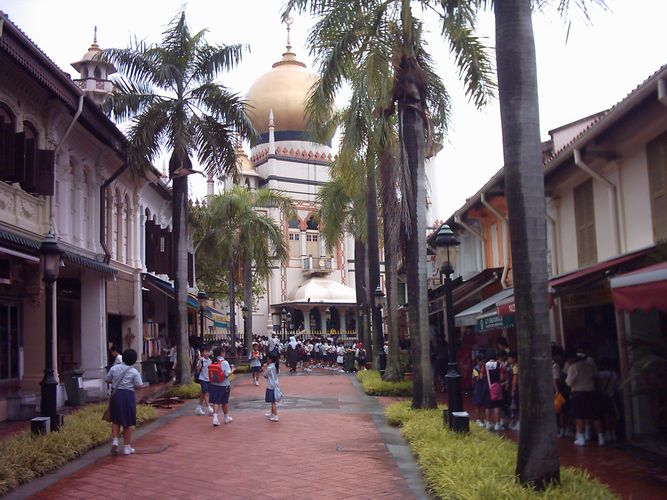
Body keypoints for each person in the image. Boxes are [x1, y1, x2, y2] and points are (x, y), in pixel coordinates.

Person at [105, 349, 143, 455]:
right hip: (128, 397)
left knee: (115, 420)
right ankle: (127, 448)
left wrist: (116, 381)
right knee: (127, 423)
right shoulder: (134, 371)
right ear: (134, 360)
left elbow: (107, 379)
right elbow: (139, 385)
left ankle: (115, 441)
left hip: (115, 396)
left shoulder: (114, 368)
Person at [566, 350, 605, 446]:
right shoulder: (590, 365)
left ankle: (581, 439)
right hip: (591, 392)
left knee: (580, 417)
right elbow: (596, 376)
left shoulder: (573, 367)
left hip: (579, 394)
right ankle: (601, 438)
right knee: (596, 416)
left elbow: (568, 382)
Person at [208, 346, 234, 426]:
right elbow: (227, 374)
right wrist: (233, 370)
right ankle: (226, 417)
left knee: (216, 402)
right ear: (222, 353)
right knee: (224, 402)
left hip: (213, 384)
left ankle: (215, 418)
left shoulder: (212, 361)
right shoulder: (224, 362)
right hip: (224, 385)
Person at [195, 345, 213, 416]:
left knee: (203, 393)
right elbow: (198, 369)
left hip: (208, 379)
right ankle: (209, 407)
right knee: (205, 393)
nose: (207, 353)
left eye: (208, 352)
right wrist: (199, 362)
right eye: (205, 352)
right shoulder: (201, 360)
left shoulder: (210, 360)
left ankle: (199, 408)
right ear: (202, 353)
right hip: (203, 379)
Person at [263, 352, 281, 422]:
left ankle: (275, 415)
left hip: (271, 385)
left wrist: (264, 368)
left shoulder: (270, 367)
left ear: (270, 359)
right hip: (275, 384)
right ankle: (272, 413)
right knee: (272, 401)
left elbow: (265, 375)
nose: (267, 360)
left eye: (267, 358)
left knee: (273, 401)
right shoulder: (276, 366)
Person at [471, 356, 486, 426]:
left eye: (483, 362)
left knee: (483, 404)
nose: (482, 363)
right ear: (478, 361)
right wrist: (482, 372)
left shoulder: (485, 368)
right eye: (481, 362)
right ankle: (478, 419)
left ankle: (483, 419)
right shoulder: (475, 369)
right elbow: (477, 379)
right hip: (477, 388)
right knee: (477, 404)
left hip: (484, 387)